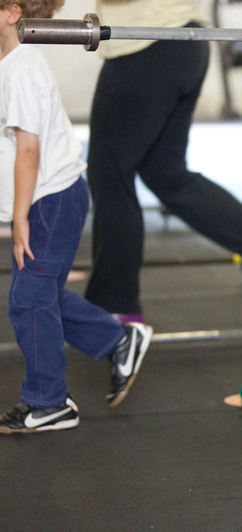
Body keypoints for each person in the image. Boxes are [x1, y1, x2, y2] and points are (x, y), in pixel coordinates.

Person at [84, 0, 242, 323]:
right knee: (166, 173)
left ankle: (115, 308)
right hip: (184, 43)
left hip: (146, 44)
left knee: (110, 172)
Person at [0, 0, 152, 434]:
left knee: (29, 299)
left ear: (13, 12)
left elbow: (29, 151)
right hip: (48, 200)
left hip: (50, 201)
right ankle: (118, 340)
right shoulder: (10, 65)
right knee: (39, 294)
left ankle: (48, 403)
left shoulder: (23, 70)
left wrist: (20, 215)